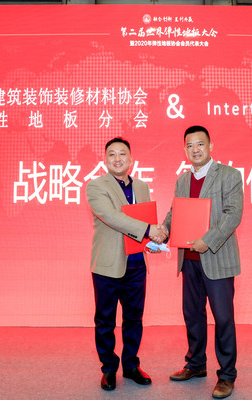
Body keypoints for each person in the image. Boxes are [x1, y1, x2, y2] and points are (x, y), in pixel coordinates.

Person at [163, 125, 243, 399]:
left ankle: (227, 376)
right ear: (184, 149)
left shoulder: (229, 175)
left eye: (200, 144)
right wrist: (162, 231)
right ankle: (196, 364)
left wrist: (207, 240)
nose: (195, 149)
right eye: (190, 145)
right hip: (189, 260)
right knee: (192, 315)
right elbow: (175, 213)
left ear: (210, 146)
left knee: (223, 318)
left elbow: (233, 214)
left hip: (217, 258)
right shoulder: (183, 180)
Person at [86, 137, 167, 391]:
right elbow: (112, 217)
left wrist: (153, 241)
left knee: (134, 318)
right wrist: (149, 230)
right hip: (108, 265)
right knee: (105, 320)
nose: (117, 158)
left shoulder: (142, 186)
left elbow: (144, 220)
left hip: (136, 264)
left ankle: (131, 365)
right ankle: (109, 369)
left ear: (131, 159)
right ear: (105, 159)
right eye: (112, 154)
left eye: (122, 154)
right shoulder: (96, 186)